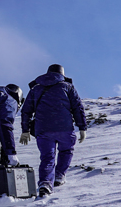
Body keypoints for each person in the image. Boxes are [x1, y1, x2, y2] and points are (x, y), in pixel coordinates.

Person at [19, 64, 86, 198]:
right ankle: (59, 176)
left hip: (43, 129)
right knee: (66, 150)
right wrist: (82, 127)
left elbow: (26, 111)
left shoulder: (36, 88)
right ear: (62, 74)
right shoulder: (67, 87)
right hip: (64, 127)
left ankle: (45, 183)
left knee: (47, 157)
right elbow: (78, 107)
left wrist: (25, 130)